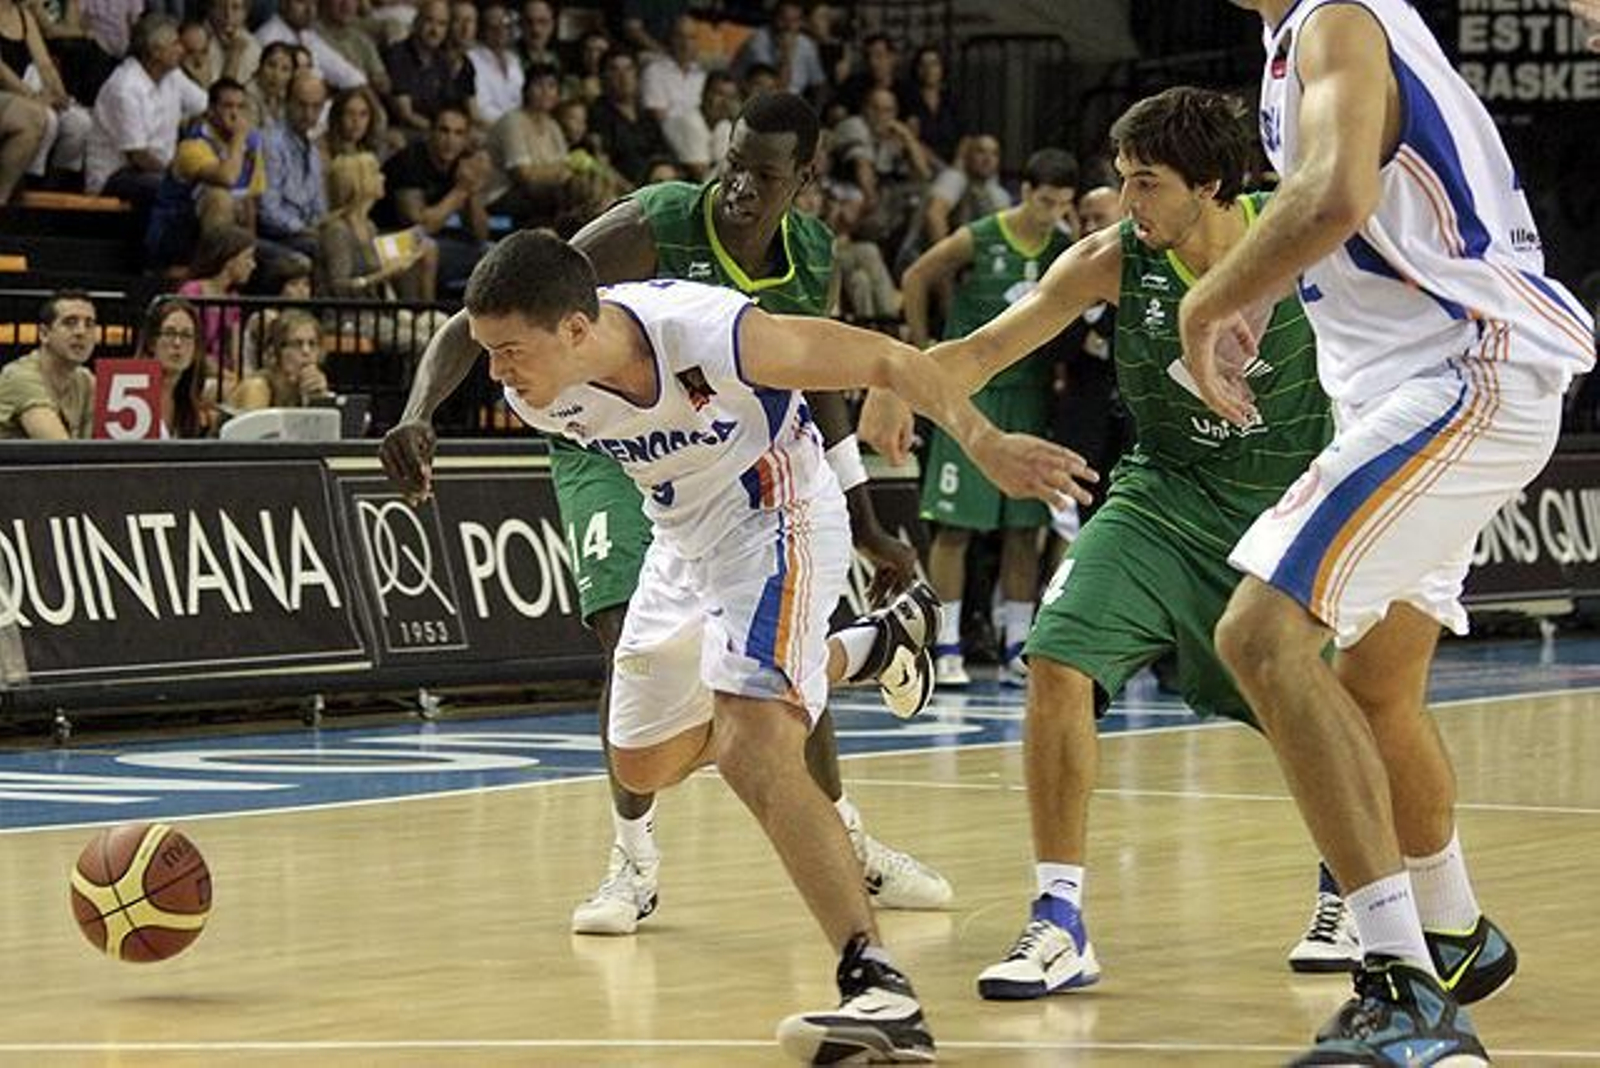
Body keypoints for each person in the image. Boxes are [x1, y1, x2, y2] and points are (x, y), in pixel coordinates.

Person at [392, 228, 1094, 1062]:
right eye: (489, 352)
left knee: (754, 744)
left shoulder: (706, 330)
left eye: (508, 352)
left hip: (781, 517)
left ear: (578, 328)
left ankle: (877, 988)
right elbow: (475, 351)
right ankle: (868, 649)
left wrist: (981, 443)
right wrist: (417, 413)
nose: (498, 373)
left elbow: (880, 359)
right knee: (641, 766)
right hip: (680, 544)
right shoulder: (540, 390)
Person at [383, 92, 956, 937]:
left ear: (803, 179)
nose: (739, 190)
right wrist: (419, 409)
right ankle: (633, 863)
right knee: (628, 641)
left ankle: (846, 835)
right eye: (731, 167)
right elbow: (511, 302)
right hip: (606, 443)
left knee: (773, 659)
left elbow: (818, 379)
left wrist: (862, 513)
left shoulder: (809, 252)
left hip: (740, 460)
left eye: (763, 176)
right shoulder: (654, 222)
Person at [858, 87, 1362, 999]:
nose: (1125, 204)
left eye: (1145, 184)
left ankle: (1352, 887)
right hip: (1162, 497)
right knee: (1055, 659)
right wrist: (897, 377)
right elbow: (981, 350)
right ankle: (1059, 918)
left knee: (1320, 718)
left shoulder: (1308, 241)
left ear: (1210, 185)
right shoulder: (1112, 260)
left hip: (1291, 512)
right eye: (1121, 181)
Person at [1179, 3, 1595, 1063]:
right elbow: (1336, 207)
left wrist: (1210, 300)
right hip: (1424, 379)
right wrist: (1259, 296)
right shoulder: (1306, 39)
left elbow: (1335, 193)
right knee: (1375, 686)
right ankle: (1450, 930)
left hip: (1459, 373)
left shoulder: (1337, 20)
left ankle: (1403, 986)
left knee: (1259, 638)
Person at [902, 147, 1078, 688]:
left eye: (1062, 204)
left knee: (1023, 531)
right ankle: (946, 644)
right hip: (971, 394)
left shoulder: (1066, 249)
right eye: (1045, 201)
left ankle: (1016, 648)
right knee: (956, 526)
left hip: (1031, 397)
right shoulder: (983, 234)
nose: (1052, 213)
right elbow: (916, 275)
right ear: (1024, 191)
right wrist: (920, 343)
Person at [0, 289, 96, 439]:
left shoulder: (86, 380)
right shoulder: (19, 377)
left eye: (89, 324)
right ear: (44, 334)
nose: (81, 332)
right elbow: (58, 450)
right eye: (70, 323)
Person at [138, 296, 216, 438]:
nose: (178, 343)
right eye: (169, 333)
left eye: (186, 335)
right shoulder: (130, 394)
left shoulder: (194, 408)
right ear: (151, 343)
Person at [228, 308, 330, 410]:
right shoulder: (256, 388)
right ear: (274, 352)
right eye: (297, 344)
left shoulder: (306, 388)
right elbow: (254, 426)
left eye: (312, 344)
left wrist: (320, 399)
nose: (306, 351)